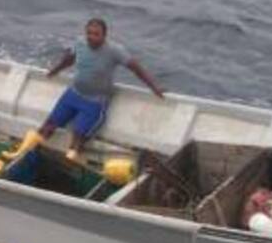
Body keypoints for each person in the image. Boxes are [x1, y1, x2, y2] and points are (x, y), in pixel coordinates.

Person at [17, 18, 164, 161]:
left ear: (104, 36)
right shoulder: (80, 43)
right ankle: (22, 155)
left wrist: (154, 88)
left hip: (95, 102)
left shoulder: (115, 51)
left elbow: (136, 69)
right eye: (89, 33)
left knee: (77, 141)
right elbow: (69, 59)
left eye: (96, 34)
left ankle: (70, 161)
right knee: (47, 127)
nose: (91, 37)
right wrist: (55, 70)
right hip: (73, 94)